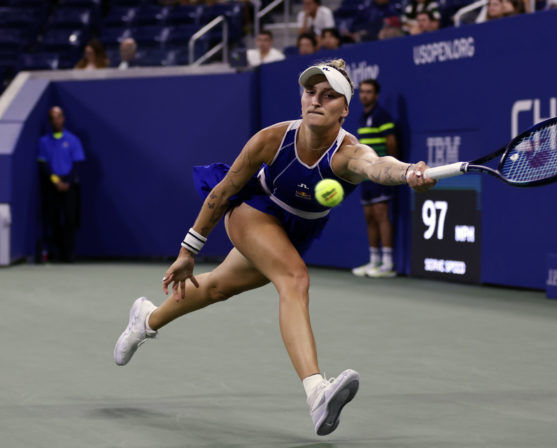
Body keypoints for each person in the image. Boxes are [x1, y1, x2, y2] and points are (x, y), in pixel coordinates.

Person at [113, 59, 436, 436]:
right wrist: (188, 250)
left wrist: (408, 172)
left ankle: (146, 321)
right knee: (294, 278)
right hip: (253, 210)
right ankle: (317, 392)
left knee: (217, 286)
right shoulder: (272, 139)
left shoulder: (348, 154)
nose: (316, 100)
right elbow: (223, 192)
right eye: (310, 92)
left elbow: (380, 166)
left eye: (329, 96)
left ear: (344, 109)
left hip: (296, 231)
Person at [351, 79, 400, 278]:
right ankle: (374, 260)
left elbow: (392, 143)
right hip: (366, 176)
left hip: (380, 175)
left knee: (381, 215)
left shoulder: (382, 116)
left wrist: (388, 168)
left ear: (376, 95)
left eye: (369, 92)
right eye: (362, 92)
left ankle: (387, 264)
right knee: (369, 217)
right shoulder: (363, 117)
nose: (364, 95)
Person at [38, 107, 85, 262]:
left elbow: (77, 164)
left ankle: (70, 255)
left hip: (70, 185)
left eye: (59, 117)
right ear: (50, 121)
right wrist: (56, 181)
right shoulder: (44, 141)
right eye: (53, 117)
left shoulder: (73, 140)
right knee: (53, 219)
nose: (56, 120)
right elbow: (44, 164)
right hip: (52, 184)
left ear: (63, 119)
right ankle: (56, 254)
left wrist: (67, 183)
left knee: (71, 219)